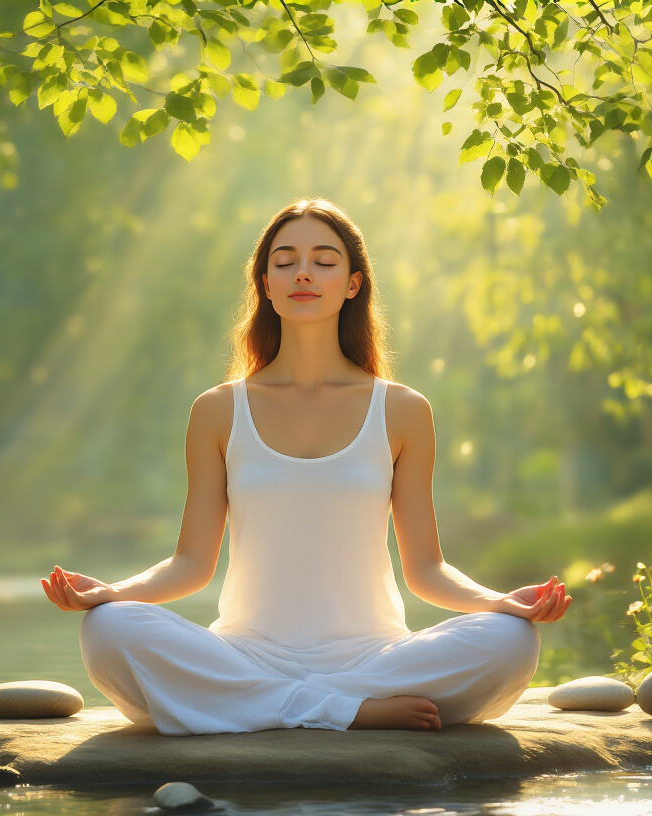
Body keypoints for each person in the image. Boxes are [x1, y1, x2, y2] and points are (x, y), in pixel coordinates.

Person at [39, 197, 572, 736]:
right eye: (285, 260)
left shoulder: (404, 410)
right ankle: (341, 709)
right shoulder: (218, 410)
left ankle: (276, 706)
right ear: (266, 284)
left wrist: (497, 602)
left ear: (353, 283)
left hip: (374, 661)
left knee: (511, 641)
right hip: (246, 656)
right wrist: (113, 593)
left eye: (324, 260)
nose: (303, 273)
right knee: (108, 629)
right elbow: (190, 563)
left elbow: (426, 571)